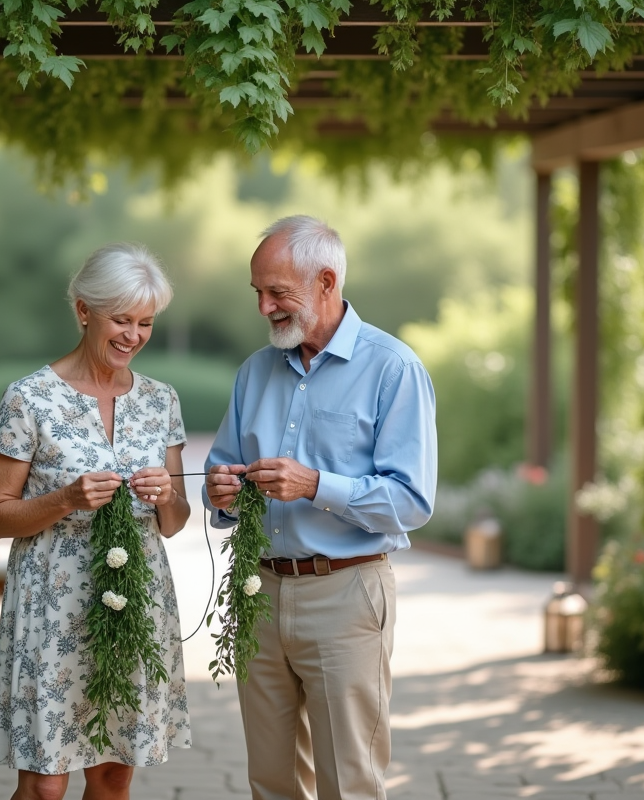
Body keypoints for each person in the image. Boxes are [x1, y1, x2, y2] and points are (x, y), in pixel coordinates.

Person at [204, 216, 437, 800]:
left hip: (347, 595)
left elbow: (411, 501)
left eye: (278, 292)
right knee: (272, 781)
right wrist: (221, 493)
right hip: (258, 593)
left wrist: (314, 484)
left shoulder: (394, 368)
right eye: (257, 292)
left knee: (348, 783)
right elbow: (222, 468)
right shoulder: (253, 372)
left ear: (327, 281)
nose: (264, 307)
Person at [0, 242, 192, 800]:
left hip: (134, 602)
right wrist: (66, 499)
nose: (133, 335)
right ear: (83, 310)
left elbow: (173, 522)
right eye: (120, 319)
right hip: (53, 603)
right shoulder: (28, 399)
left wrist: (167, 494)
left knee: (113, 772)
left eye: (145, 322)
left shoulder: (160, 401)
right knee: (46, 784)